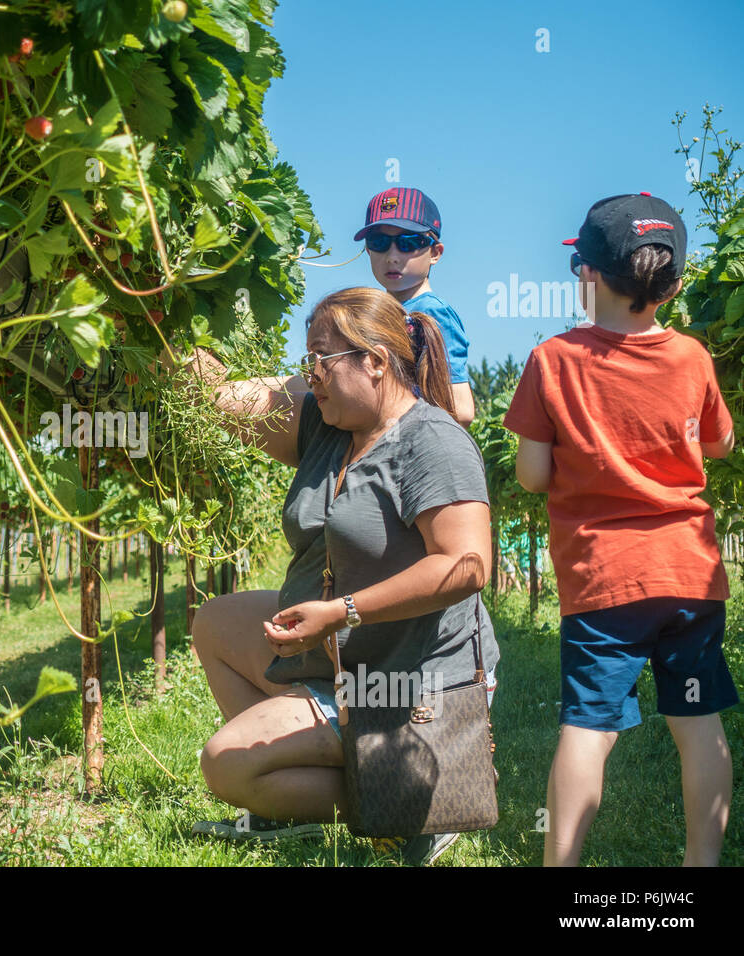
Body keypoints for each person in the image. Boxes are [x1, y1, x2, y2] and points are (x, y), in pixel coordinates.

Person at [176, 286, 500, 866]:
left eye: (321, 359)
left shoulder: (432, 441)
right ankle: (319, 784)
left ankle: (413, 804)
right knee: (217, 623)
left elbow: (467, 564)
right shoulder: (329, 426)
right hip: (340, 660)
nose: (311, 374)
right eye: (308, 362)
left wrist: (342, 611)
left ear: (374, 361)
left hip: (405, 682)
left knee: (224, 762)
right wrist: (164, 321)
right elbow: (224, 395)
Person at [504, 193, 738, 867]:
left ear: (586, 272)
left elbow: (531, 475)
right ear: (677, 281)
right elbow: (719, 444)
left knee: (588, 728)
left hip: (604, 581)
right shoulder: (693, 358)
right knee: (697, 725)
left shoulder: (552, 360)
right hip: (690, 579)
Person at [356, 187, 476, 426]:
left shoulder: (431, 313)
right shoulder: (377, 314)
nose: (392, 256)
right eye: (379, 242)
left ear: (435, 252)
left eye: (408, 243)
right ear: (368, 249)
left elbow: (461, 409)